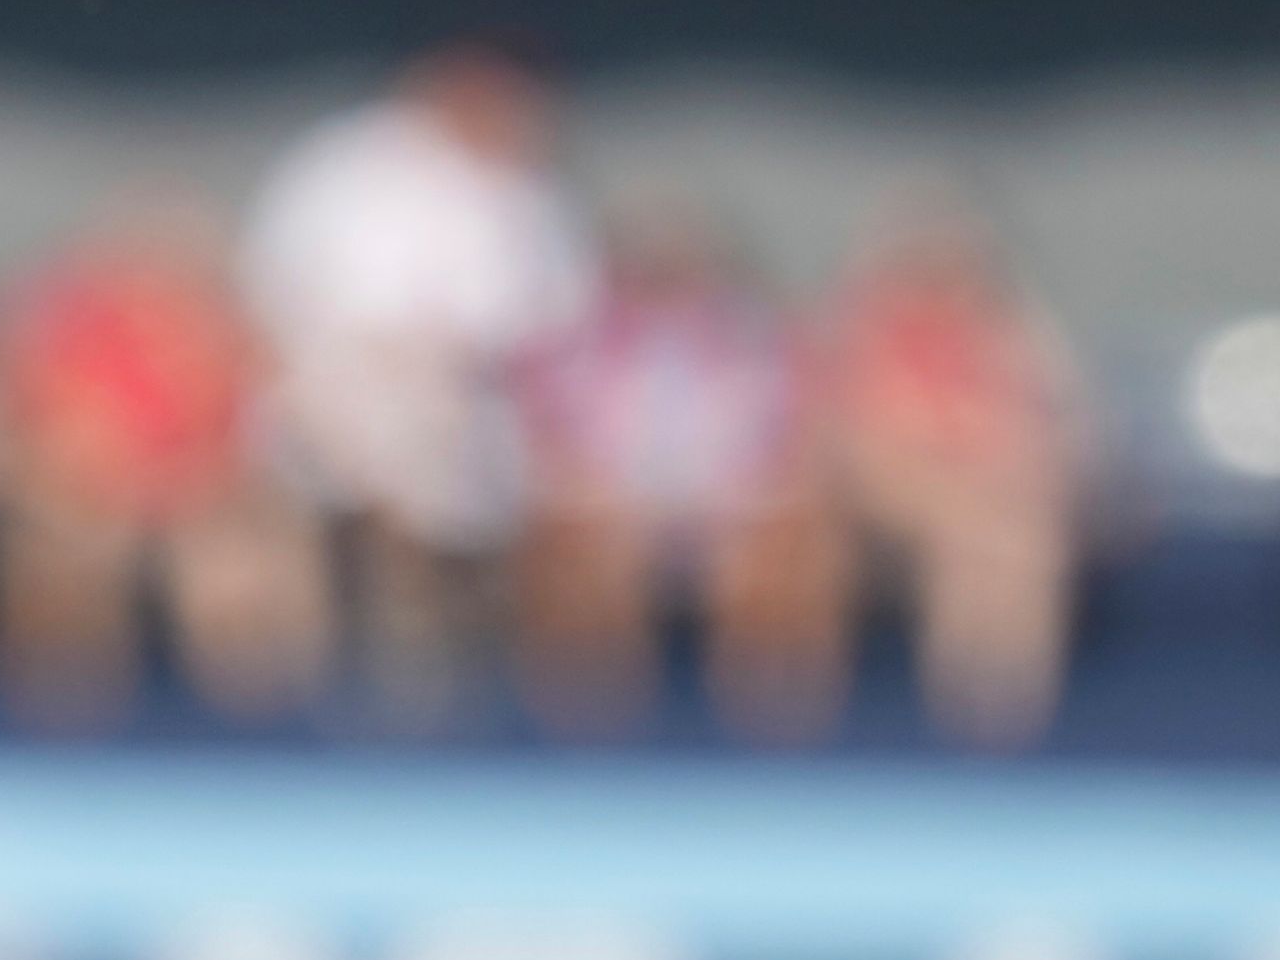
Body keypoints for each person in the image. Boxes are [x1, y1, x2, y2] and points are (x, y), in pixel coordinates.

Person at [241, 49, 594, 724]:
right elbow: (276, 297)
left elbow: (555, 319)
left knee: (508, 483)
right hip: (332, 383)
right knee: (339, 471)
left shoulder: (527, 188)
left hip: (477, 400)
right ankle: (310, 711)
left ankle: (484, 699)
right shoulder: (340, 167)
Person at [0, 190, 324, 726]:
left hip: (204, 503)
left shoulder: (220, 335)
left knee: (233, 574)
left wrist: (195, 493)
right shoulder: (64, 328)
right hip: (87, 501)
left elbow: (256, 437)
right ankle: (62, 741)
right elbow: (42, 438)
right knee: (62, 564)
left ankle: (258, 745)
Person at [514, 201, 829, 739]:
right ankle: (590, 728)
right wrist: (598, 490)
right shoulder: (580, 343)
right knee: (582, 547)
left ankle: (772, 731)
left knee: (789, 547)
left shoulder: (753, 342)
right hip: (614, 502)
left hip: (728, 505)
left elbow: (787, 437)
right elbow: (548, 437)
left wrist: (742, 496)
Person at [812, 195, 1086, 747]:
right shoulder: (866, 328)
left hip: (976, 489)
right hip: (885, 489)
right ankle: (959, 720)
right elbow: (852, 438)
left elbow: (1051, 418)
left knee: (1020, 538)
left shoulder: (1004, 331)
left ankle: (1009, 717)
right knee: (983, 533)